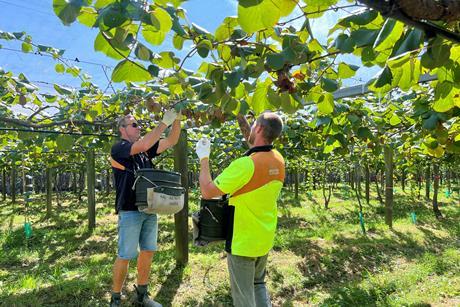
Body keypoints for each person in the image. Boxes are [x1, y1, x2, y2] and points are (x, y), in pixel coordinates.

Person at [196, 112, 285, 307]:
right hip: (264, 237)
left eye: (253, 125)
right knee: (258, 283)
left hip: (243, 241)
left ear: (259, 129)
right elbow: (257, 149)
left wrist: (204, 158)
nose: (251, 128)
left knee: (243, 297)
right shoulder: (278, 160)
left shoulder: (245, 165)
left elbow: (207, 191)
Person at [110, 109, 181, 307]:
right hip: (130, 209)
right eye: (134, 124)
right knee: (125, 254)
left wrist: (177, 119)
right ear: (122, 129)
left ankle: (142, 295)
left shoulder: (143, 153)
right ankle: (115, 298)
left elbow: (171, 140)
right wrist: (163, 123)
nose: (139, 127)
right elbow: (144, 143)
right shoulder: (120, 148)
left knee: (148, 251)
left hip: (149, 208)